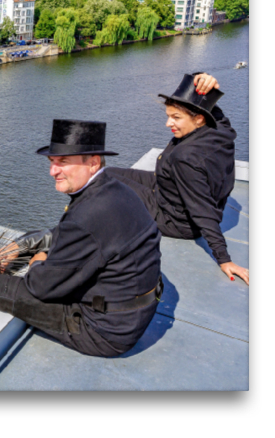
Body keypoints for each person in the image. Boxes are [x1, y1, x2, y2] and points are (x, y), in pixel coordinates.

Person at [0, 120, 162, 358]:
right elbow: (77, 234)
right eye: (52, 162)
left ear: (93, 162)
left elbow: (40, 287)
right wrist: (30, 242)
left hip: (102, 332)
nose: (52, 171)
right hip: (132, 314)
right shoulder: (116, 190)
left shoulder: (87, 215)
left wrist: (37, 260)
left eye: (64, 162)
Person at [104, 72, 248, 285]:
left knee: (102, 186)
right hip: (169, 187)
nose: (168, 123)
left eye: (176, 118)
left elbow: (202, 210)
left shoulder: (186, 158)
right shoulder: (220, 129)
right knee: (104, 173)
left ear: (198, 118)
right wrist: (204, 82)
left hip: (173, 217)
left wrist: (224, 259)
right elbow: (213, 111)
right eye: (168, 115)